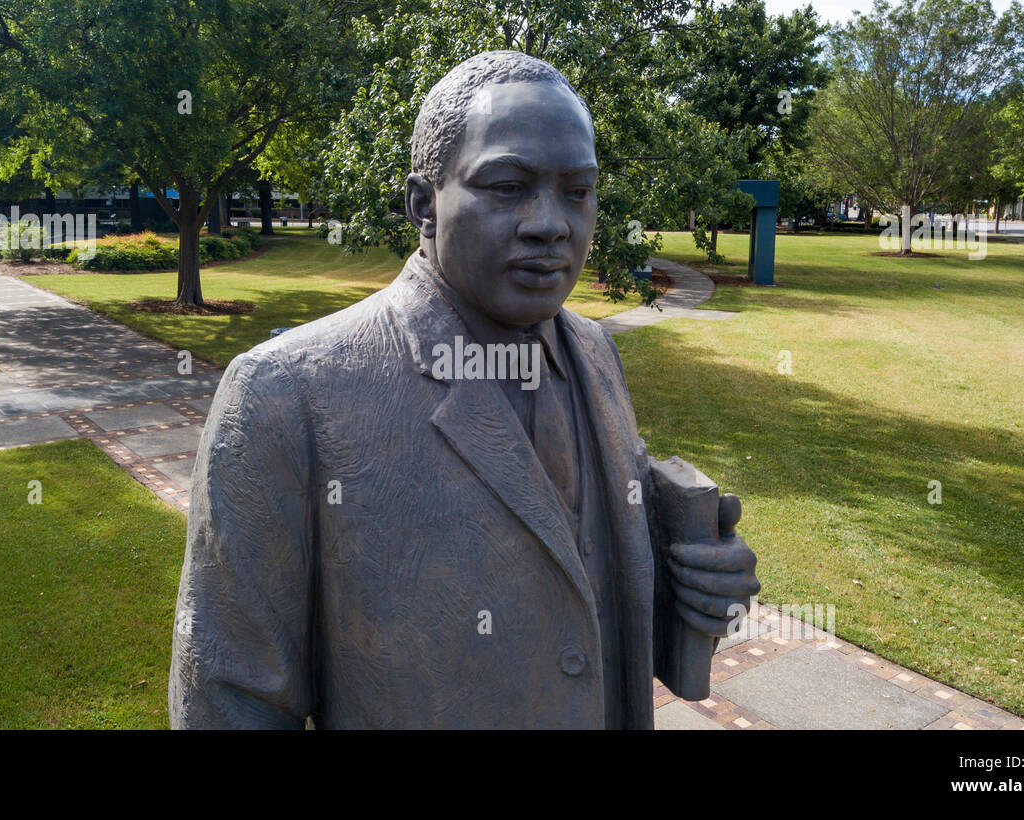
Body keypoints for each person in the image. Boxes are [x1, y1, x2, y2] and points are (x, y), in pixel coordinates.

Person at [169, 50, 759, 729]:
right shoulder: (286, 396)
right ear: (425, 203)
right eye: (507, 186)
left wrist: (694, 585)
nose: (551, 223)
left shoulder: (595, 354)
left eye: (578, 190)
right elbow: (227, 700)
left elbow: (585, 589)